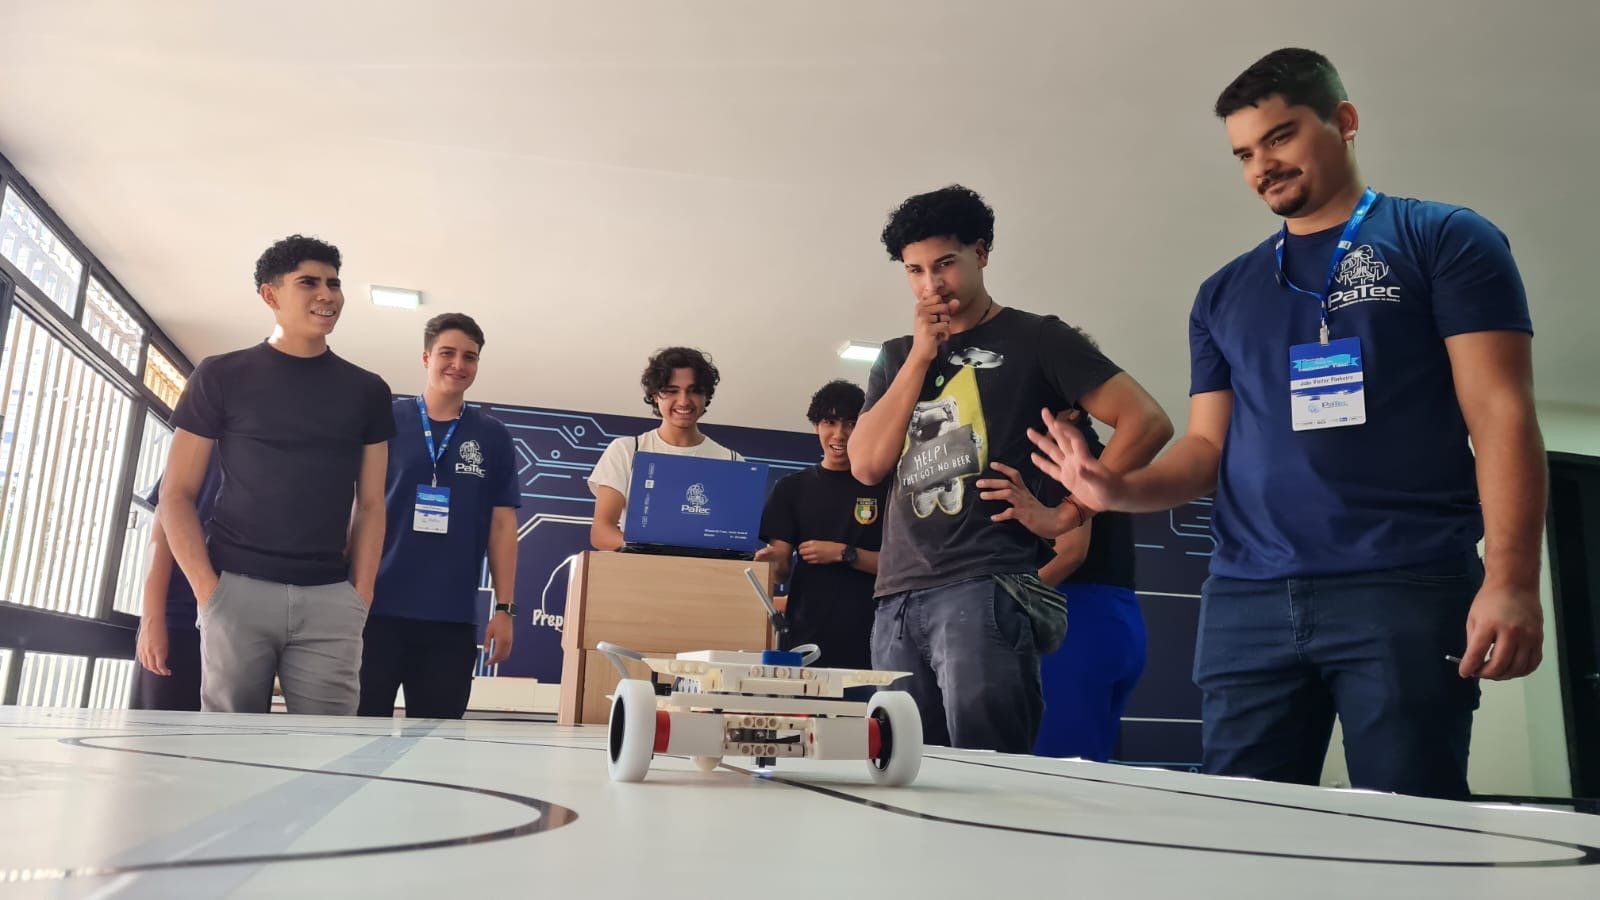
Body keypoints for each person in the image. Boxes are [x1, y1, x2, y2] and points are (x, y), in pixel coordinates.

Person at [1028, 48, 1545, 799]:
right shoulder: (1223, 293)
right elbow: (1205, 447)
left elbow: (1500, 414)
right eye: (1244, 153)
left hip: (1401, 583)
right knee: (1246, 833)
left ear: (1344, 121)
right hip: (1248, 598)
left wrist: (1513, 579)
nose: (1261, 166)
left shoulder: (1443, 238)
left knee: (1409, 826)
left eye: (1280, 137)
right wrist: (1117, 489)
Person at [850, 185, 1172, 752]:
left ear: (981, 253)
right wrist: (922, 356)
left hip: (985, 583)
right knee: (901, 769)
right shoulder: (897, 355)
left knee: (988, 773)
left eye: (945, 263)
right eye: (915, 271)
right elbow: (867, 464)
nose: (931, 285)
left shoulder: (1037, 338)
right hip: (896, 593)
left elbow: (1146, 421)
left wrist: (1071, 511)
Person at [158, 234, 395, 715]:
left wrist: (361, 595)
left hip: (331, 600)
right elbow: (175, 494)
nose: (327, 294)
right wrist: (208, 591)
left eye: (333, 283)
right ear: (271, 295)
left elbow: (371, 504)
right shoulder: (220, 375)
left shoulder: (368, 391)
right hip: (236, 592)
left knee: (328, 751)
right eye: (309, 282)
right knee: (229, 749)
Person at [359, 313, 522, 719]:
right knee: (357, 732)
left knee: (437, 743)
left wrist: (505, 609)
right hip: (374, 610)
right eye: (447, 353)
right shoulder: (385, 422)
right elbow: (356, 507)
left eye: (470, 356)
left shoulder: (493, 436)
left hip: (450, 619)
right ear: (426, 357)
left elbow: (502, 526)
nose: (458, 364)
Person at [1029, 409, 1146, 762]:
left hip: (1074, 619)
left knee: (1059, 774)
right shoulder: (1100, 454)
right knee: (1085, 767)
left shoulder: (1066, 453)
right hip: (1111, 617)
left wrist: (995, 604)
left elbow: (1069, 552)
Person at [756, 380, 886, 670]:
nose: (839, 434)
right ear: (816, 426)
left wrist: (843, 553)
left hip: (875, 633)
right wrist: (771, 561)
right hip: (806, 634)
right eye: (830, 422)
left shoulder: (885, 487)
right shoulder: (791, 489)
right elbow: (781, 571)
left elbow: (900, 566)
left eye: (850, 423)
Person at [588, 346, 741, 551]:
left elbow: (734, 538)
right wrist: (650, 550)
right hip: (641, 568)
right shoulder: (627, 450)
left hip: (705, 570)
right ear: (655, 396)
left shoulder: (732, 461)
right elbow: (602, 532)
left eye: (694, 390)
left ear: (706, 396)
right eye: (671, 391)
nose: (684, 401)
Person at [132, 452, 223, 711]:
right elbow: (159, 535)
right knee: (158, 731)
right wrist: (152, 619)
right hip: (179, 619)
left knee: (229, 732)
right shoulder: (202, 444)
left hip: (242, 627)